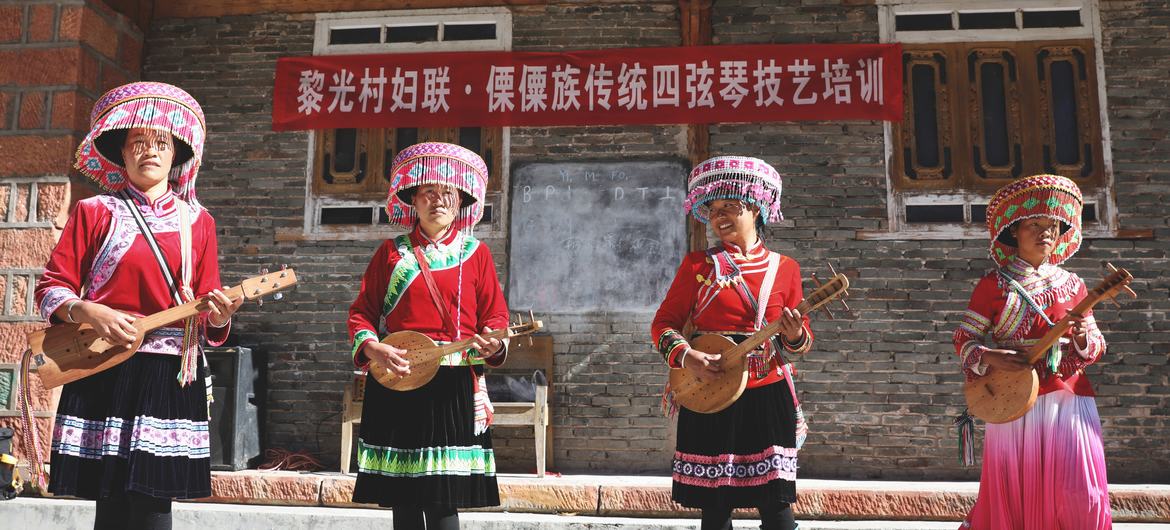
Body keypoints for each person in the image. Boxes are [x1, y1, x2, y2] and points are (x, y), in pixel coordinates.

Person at [33, 82, 242, 530]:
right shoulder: (95, 211)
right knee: (108, 503)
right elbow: (52, 287)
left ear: (176, 154)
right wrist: (91, 312)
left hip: (168, 371)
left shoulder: (198, 221)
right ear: (121, 153)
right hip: (104, 365)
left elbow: (208, 307)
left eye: (161, 143)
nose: (150, 151)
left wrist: (220, 316)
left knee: (153, 504)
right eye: (138, 142)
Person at [347, 142, 509, 530]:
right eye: (429, 192)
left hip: (451, 381)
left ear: (460, 203)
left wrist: (495, 341)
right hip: (399, 375)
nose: (439, 200)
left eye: (448, 193)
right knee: (402, 502)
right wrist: (375, 348)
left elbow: (496, 315)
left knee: (442, 501)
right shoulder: (391, 254)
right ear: (413, 202)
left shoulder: (476, 254)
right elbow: (361, 313)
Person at [652, 156, 813, 530]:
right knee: (716, 508)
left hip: (767, 394)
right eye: (713, 209)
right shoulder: (697, 266)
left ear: (756, 208)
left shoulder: (784, 268)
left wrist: (793, 334)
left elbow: (801, 340)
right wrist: (686, 355)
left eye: (731, 207)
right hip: (711, 391)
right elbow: (663, 324)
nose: (719, 217)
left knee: (776, 509)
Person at [954, 174, 1111, 529]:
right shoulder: (994, 284)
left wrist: (1083, 337)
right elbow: (964, 338)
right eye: (1034, 224)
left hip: (1070, 398)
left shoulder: (1076, 286)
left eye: (1053, 225)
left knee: (1081, 493)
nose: (1045, 232)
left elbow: (1096, 346)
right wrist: (991, 357)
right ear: (1014, 231)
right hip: (1016, 400)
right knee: (1016, 492)